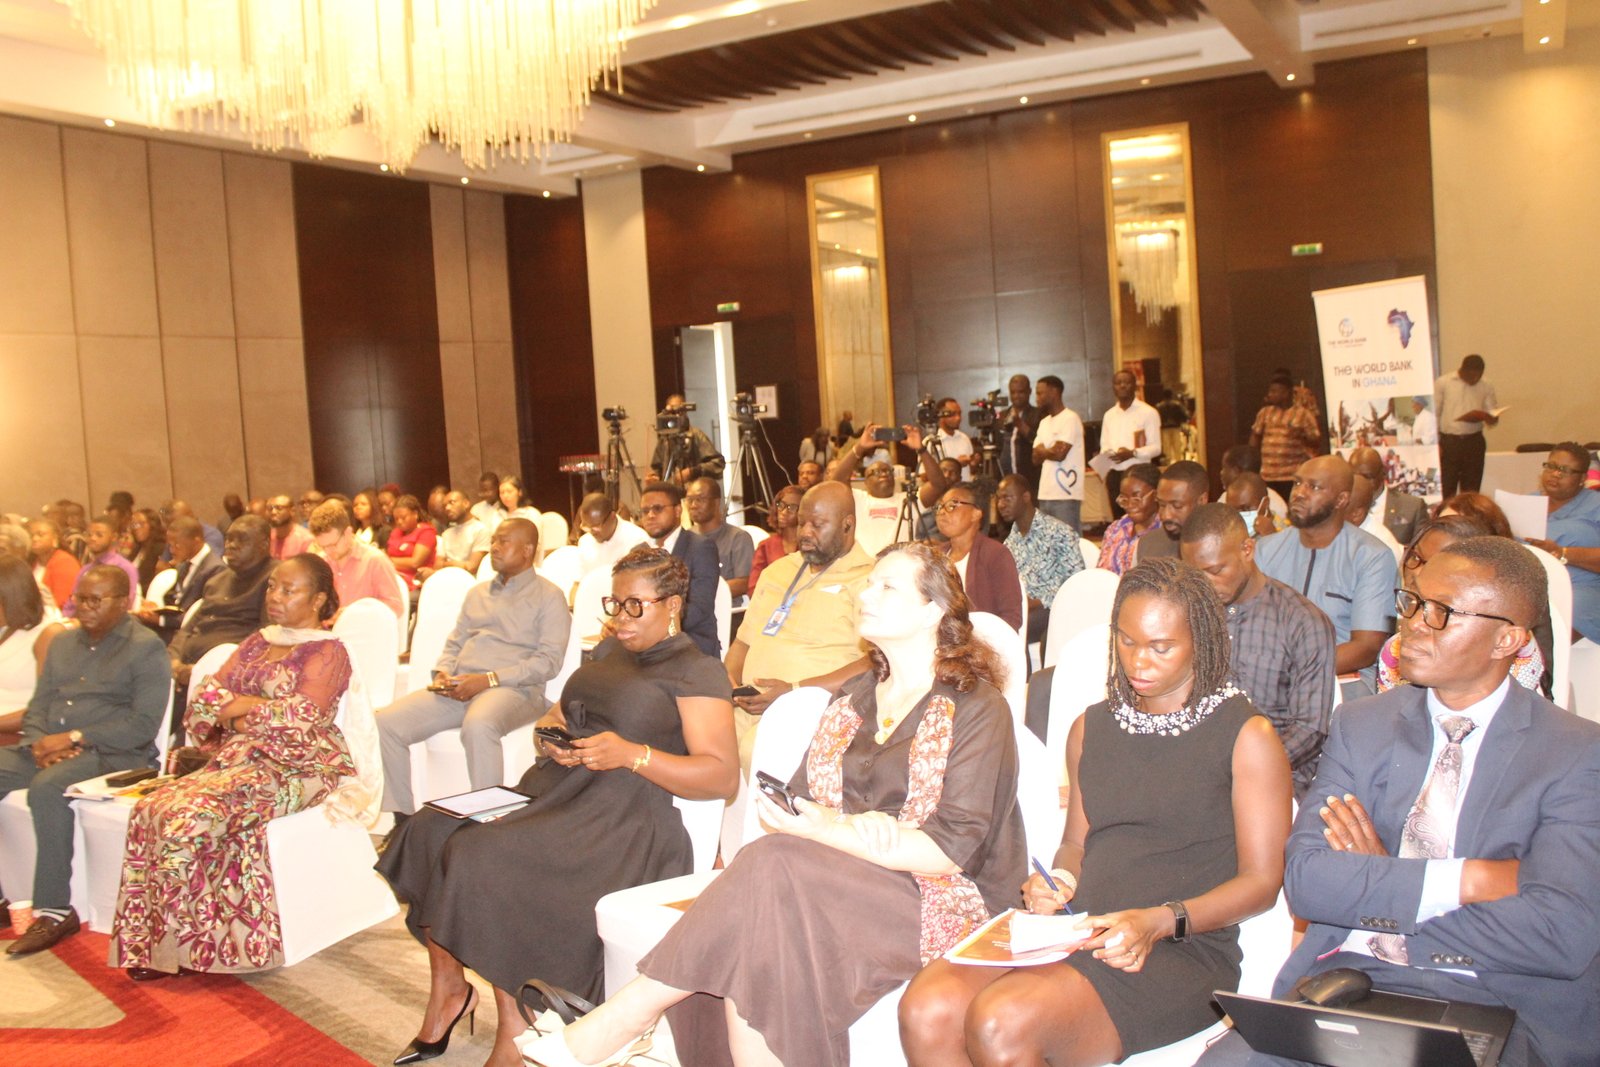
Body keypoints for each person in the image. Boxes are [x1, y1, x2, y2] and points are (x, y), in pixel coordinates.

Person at [526, 541, 1027, 1067]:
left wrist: (838, 830)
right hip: (840, 877)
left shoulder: (976, 708)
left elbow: (948, 852)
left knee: (769, 871)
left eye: (887, 587)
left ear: (932, 610)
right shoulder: (854, 698)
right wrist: (842, 828)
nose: (866, 594)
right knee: (765, 922)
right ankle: (625, 1022)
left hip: (943, 899)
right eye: (869, 582)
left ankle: (628, 1016)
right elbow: (796, 808)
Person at [1199, 536, 1600, 1067]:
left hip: (1497, 997)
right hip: (1354, 981)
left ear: (1507, 639)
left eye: (1442, 613)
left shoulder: (1576, 753)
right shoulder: (1362, 725)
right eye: (1412, 602)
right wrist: (1469, 880)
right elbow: (1309, 882)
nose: (1411, 624)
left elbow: (1560, 933)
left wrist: (1383, 895)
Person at [896, 557, 1291, 1066]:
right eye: (1126, 640)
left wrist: (1160, 920)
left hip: (1180, 945)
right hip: (1082, 927)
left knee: (1001, 1021)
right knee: (926, 1007)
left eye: (1161, 647)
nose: (1138, 661)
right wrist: (1059, 879)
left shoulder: (1246, 736)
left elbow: (1262, 883)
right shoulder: (1090, 728)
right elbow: (1076, 844)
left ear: (1203, 641)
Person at [379, 546, 739, 1066]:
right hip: (555, 789)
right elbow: (558, 713)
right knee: (431, 826)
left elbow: (721, 775)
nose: (620, 617)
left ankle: (516, 1026)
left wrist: (631, 754)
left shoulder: (696, 671)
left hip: (621, 816)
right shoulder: (609, 652)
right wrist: (550, 739)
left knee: (482, 855)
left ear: (673, 605)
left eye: (634, 606)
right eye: (614, 603)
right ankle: (449, 992)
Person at [108, 554, 371, 978]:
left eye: (289, 590)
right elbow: (204, 702)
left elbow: (303, 717)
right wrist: (244, 714)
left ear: (319, 599)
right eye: (273, 587)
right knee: (148, 809)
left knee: (187, 817)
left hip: (298, 768)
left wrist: (238, 708)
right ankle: (159, 945)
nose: (276, 596)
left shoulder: (328, 650)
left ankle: (198, 947)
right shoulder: (257, 641)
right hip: (239, 758)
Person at [0, 565, 171, 957]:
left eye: (96, 600)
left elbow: (143, 725)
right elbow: (39, 706)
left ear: (124, 602)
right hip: (51, 749)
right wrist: (40, 742)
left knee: (47, 788)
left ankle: (55, 911)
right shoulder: (63, 642)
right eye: (80, 598)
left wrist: (76, 737)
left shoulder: (145, 647)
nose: (84, 607)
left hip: (114, 754)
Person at [376, 519, 570, 811]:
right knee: (387, 723)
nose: (494, 548)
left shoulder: (550, 596)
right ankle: (401, 818)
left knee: (479, 725)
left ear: (527, 550)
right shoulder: (477, 593)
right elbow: (455, 642)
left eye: (504, 541)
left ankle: (487, 816)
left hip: (515, 690)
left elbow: (547, 663)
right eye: (493, 541)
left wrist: (488, 680)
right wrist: (443, 672)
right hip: (461, 687)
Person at [1180, 504, 1337, 798]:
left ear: (1247, 549)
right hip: (1197, 774)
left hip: (1275, 777)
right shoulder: (1187, 614)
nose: (1204, 585)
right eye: (1194, 574)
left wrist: (1242, 771)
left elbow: (1310, 729)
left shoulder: (1302, 621)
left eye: (1215, 570)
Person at [726, 482, 875, 766]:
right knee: (701, 745)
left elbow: (873, 662)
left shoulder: (869, 580)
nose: (805, 532)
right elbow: (742, 642)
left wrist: (794, 690)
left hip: (811, 708)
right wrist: (729, 682)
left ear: (847, 525)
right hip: (746, 704)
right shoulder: (777, 571)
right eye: (801, 523)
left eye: (817, 525)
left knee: (754, 752)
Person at [1255, 456, 1395, 697]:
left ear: (1341, 500)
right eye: (1297, 483)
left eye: (1314, 487)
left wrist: (1295, 671)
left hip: (1343, 680)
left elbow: (1366, 647)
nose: (1299, 493)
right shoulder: (1266, 550)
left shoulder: (1371, 556)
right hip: (1273, 678)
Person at [1378, 515, 1544, 693]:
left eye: (1440, 565)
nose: (1419, 572)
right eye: (1416, 557)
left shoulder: (1516, 654)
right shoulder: (1396, 649)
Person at [167, 515, 275, 691]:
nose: (231, 545)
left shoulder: (274, 580)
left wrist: (206, 669)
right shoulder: (217, 581)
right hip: (187, 668)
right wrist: (173, 660)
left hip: (229, 675)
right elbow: (187, 628)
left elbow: (266, 635)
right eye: (229, 539)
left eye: (241, 539)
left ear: (264, 544)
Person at [830, 421, 949, 555]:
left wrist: (921, 449)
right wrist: (859, 447)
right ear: (866, 482)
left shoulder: (908, 499)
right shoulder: (858, 499)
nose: (883, 474)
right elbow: (837, 482)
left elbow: (939, 485)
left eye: (888, 471)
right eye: (875, 472)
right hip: (865, 564)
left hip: (900, 562)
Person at [1524, 442, 1600, 643]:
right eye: (1551, 466)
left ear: (1582, 478)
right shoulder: (1526, 503)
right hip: (1529, 584)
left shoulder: (1595, 505)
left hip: (1581, 586)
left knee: (1563, 609)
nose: (1555, 474)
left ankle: (1545, 657)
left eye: (1565, 470)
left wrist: (1562, 553)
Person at [635, 482, 721, 658]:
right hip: (645, 645)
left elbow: (699, 609)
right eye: (645, 511)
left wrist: (653, 629)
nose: (650, 515)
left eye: (658, 509)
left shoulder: (701, 548)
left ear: (677, 510)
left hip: (691, 645)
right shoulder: (638, 553)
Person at [998, 473, 1084, 645]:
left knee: (1011, 630)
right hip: (1022, 608)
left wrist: (1037, 602)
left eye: (1007, 498)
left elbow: (1076, 583)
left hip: (1054, 608)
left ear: (1026, 497)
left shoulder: (1059, 532)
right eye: (998, 499)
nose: (1001, 504)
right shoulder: (1010, 542)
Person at [934, 481, 1024, 632]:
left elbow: (1011, 617)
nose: (942, 512)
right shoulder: (936, 556)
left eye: (952, 505)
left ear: (976, 513)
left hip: (984, 640)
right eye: (939, 506)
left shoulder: (996, 554)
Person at [0, 557, 67, 740]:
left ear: (12, 598)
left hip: (19, 735)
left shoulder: (49, 634)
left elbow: (50, 708)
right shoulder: (6, 627)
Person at [307, 500, 404, 621]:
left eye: (333, 545)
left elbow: (395, 607)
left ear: (348, 533)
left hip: (363, 629)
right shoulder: (321, 562)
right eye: (323, 547)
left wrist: (354, 614)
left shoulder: (374, 561)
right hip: (328, 630)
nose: (328, 551)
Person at [134, 516, 222, 643]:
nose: (171, 550)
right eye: (170, 545)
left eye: (177, 544)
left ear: (196, 541)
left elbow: (204, 614)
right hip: (173, 627)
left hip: (190, 634)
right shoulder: (184, 565)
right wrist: (156, 608)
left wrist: (161, 620)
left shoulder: (216, 569)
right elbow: (175, 601)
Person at [1099, 369, 1163, 517]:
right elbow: (1104, 445)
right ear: (1113, 387)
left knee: (1141, 516)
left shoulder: (1148, 412)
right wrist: (1111, 454)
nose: (1122, 386)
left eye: (1127, 382)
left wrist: (1133, 453)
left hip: (1140, 473)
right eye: (1118, 383)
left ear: (1135, 385)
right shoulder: (1109, 415)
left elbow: (1156, 448)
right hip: (1115, 474)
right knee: (1119, 518)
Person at [1434, 353, 1499, 497]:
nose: (1475, 379)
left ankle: (1469, 512)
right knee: (1447, 486)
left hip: (1474, 442)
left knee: (1472, 489)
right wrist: (1436, 442)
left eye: (1479, 376)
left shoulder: (1486, 385)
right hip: (1449, 442)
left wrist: (1491, 418)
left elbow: (1492, 412)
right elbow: (1435, 413)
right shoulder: (1444, 382)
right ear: (1462, 370)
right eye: (1472, 376)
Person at [1249, 374, 1321, 502]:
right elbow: (1255, 436)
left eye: (1274, 391)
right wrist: (1252, 461)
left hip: (1291, 475)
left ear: (1286, 393)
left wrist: (1301, 434)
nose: (1270, 395)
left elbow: (1315, 440)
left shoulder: (1303, 414)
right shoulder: (1265, 412)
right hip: (1267, 475)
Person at [686, 477, 754, 603]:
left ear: (717, 502)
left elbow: (745, 582)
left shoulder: (738, 538)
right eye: (689, 500)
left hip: (725, 609)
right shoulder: (686, 537)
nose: (693, 505)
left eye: (700, 499)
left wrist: (700, 593)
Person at [1032, 376, 1085, 529]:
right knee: (1048, 540)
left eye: (1040, 393)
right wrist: (1051, 449)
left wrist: (1043, 450)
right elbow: (1034, 458)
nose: (1037, 398)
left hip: (1066, 494)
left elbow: (1060, 454)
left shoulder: (1070, 418)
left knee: (1067, 540)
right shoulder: (1044, 422)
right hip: (1045, 493)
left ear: (1054, 392)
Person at [62, 514, 140, 617]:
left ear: (114, 537)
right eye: (89, 534)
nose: (92, 538)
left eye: (99, 535)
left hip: (112, 622)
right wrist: (66, 619)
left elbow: (126, 605)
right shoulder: (85, 570)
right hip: (80, 620)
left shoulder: (124, 568)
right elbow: (73, 602)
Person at [1349, 445, 1427, 546]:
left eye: (1367, 477)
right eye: (1354, 477)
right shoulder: (1339, 509)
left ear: (1383, 473)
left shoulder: (1413, 507)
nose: (1360, 483)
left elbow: (1423, 551)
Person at [1137, 460, 1209, 563]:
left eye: (1177, 506)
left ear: (1201, 501)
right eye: (1162, 505)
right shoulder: (1148, 545)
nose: (1166, 516)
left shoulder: (1224, 545)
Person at [1097, 463, 1161, 576]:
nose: (1129, 505)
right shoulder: (1115, 529)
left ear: (1156, 495)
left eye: (1136, 498)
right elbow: (1101, 573)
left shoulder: (1165, 533)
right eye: (1124, 498)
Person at [650, 394, 725, 486]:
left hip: (694, 490)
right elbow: (657, 468)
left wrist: (692, 472)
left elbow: (718, 464)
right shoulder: (664, 439)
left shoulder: (696, 435)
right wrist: (654, 478)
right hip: (670, 490)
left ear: (685, 411)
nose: (675, 415)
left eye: (679, 411)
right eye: (671, 412)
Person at [574, 492, 650, 583]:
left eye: (596, 526)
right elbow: (578, 582)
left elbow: (642, 583)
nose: (592, 532)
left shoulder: (637, 540)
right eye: (586, 526)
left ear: (612, 517)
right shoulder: (585, 541)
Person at [422, 490, 490, 580]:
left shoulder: (481, 530)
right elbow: (438, 566)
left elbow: (472, 567)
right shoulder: (446, 534)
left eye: (452, 502)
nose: (447, 508)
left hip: (469, 581)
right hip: (447, 579)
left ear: (466, 503)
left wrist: (446, 564)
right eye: (444, 506)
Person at [748, 485, 802, 595]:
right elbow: (754, 587)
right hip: (770, 601)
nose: (783, 512)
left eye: (792, 507)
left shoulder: (810, 545)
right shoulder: (765, 546)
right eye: (781, 505)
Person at [1220, 445, 1287, 522]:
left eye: (1245, 509)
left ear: (1265, 505)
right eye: (1231, 511)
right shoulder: (1225, 497)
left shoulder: (1276, 505)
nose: (1239, 515)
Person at [387, 495, 438, 594]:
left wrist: (390, 561)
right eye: (396, 519)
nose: (399, 522)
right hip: (394, 580)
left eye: (403, 518)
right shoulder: (395, 532)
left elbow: (415, 562)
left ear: (415, 514)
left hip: (417, 583)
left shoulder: (426, 532)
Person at [999, 373, 1040, 491]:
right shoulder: (1002, 416)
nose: (1016, 396)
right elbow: (998, 446)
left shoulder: (1038, 414)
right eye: (1013, 392)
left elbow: (1039, 442)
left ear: (1029, 391)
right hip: (1005, 479)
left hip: (1030, 479)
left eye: (1021, 392)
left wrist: (1021, 425)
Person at [28, 520, 80, 611]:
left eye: (40, 535)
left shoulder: (65, 562)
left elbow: (63, 602)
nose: (35, 539)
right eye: (31, 536)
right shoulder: (32, 562)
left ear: (55, 538)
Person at [1224, 472, 1285, 538]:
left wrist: (1271, 536)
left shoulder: (1285, 533)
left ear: (1265, 503)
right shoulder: (1228, 530)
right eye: (1232, 510)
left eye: (1245, 509)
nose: (1238, 515)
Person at [933, 397, 977, 481]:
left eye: (959, 413)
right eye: (952, 414)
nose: (958, 418)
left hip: (966, 487)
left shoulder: (964, 438)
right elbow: (924, 476)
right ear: (941, 416)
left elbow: (971, 471)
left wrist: (973, 463)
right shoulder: (932, 442)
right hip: (946, 489)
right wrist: (956, 464)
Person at [125, 508, 166, 594]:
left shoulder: (161, 549)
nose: (136, 528)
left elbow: (156, 582)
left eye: (140, 524)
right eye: (133, 525)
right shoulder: (137, 550)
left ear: (152, 524)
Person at [266, 494, 312, 560]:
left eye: (279, 508)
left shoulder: (306, 539)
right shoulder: (267, 537)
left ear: (292, 511)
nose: (273, 512)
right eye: (270, 509)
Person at [352, 488, 393, 553]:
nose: (358, 507)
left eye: (363, 504)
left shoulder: (384, 531)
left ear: (373, 507)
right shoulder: (353, 531)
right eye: (355, 505)